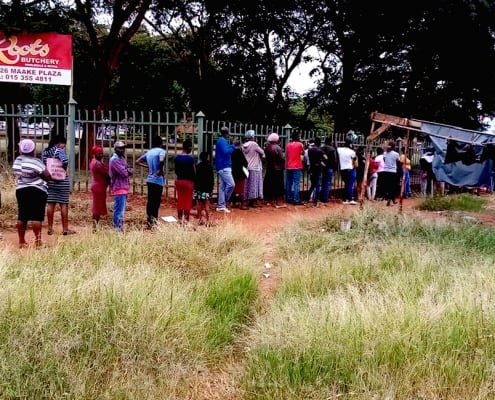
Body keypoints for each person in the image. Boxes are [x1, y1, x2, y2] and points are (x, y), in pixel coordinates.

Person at [12, 139, 52, 247]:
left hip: (21, 189)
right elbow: (48, 176)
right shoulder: (36, 162)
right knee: (36, 216)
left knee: (22, 216)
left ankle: (21, 241)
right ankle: (38, 242)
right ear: (33, 149)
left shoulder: (18, 160)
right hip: (37, 190)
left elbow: (16, 171)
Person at [42, 135, 75, 235]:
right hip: (62, 181)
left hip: (50, 180)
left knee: (50, 204)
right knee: (63, 204)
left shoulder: (45, 152)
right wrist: (64, 169)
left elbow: (43, 165)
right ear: (60, 143)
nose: (64, 147)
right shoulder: (59, 150)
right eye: (64, 145)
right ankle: (65, 229)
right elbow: (65, 161)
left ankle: (50, 228)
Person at [136, 135, 166, 229]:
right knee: (156, 202)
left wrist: (147, 167)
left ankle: (149, 221)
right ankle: (154, 222)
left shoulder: (149, 152)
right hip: (158, 180)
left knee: (150, 201)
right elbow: (161, 160)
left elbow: (137, 161)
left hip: (150, 179)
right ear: (161, 143)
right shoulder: (161, 151)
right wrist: (160, 170)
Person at [109, 140, 133, 232]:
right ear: (115, 149)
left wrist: (128, 170)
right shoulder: (115, 160)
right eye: (120, 148)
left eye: (123, 148)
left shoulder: (121, 158)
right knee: (119, 210)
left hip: (123, 187)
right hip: (119, 187)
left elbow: (128, 168)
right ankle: (117, 229)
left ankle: (119, 228)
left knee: (121, 209)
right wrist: (128, 170)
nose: (122, 150)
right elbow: (124, 173)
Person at [215, 127, 237, 213]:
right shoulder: (222, 141)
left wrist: (231, 145)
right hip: (224, 167)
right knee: (231, 184)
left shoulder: (221, 141)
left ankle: (221, 206)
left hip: (222, 166)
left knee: (222, 187)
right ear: (227, 134)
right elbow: (226, 152)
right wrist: (233, 145)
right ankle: (224, 201)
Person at [174, 138, 196, 223]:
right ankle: (186, 220)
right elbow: (194, 172)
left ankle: (179, 219)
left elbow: (176, 171)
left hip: (179, 181)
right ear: (189, 148)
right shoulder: (190, 159)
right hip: (188, 182)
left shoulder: (177, 158)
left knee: (180, 200)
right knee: (187, 201)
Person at [242, 129, 265, 208]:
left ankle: (245, 202)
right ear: (252, 136)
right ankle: (254, 202)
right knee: (254, 185)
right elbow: (262, 152)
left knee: (247, 184)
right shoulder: (254, 144)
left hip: (246, 167)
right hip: (255, 167)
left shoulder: (244, 145)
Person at [89, 145, 110, 230]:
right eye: (99, 154)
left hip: (98, 185)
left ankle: (95, 226)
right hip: (99, 187)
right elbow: (106, 174)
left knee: (97, 207)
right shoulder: (97, 164)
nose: (101, 155)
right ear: (94, 154)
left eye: (101, 153)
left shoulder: (93, 161)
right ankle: (95, 227)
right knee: (97, 208)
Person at [263, 132, 286, 208]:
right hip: (278, 168)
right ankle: (277, 202)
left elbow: (266, 158)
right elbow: (282, 159)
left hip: (270, 167)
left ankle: (269, 200)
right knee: (278, 185)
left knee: (270, 184)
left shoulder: (267, 148)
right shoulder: (278, 148)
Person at [194, 151, 214, 225]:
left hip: (199, 188)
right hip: (206, 189)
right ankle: (208, 221)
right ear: (207, 157)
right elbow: (211, 179)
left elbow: (195, 177)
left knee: (199, 204)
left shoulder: (198, 166)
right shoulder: (209, 167)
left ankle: (200, 220)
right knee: (206, 205)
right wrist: (211, 188)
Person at [285, 131, 305, 205]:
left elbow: (287, 154)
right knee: (296, 183)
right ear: (297, 137)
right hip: (297, 166)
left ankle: (288, 198)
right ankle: (296, 199)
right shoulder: (300, 144)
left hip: (289, 165)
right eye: (299, 136)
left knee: (289, 183)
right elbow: (303, 153)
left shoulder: (288, 145)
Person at [337, 139, 357, 205]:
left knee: (346, 184)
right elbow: (354, 160)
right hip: (349, 168)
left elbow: (335, 147)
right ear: (350, 144)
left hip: (342, 169)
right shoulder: (352, 152)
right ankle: (350, 199)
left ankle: (344, 199)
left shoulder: (339, 149)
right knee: (350, 184)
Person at [231, 138, 249, 209]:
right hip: (240, 173)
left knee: (233, 188)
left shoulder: (231, 152)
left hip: (233, 172)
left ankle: (234, 203)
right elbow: (246, 163)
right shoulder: (240, 153)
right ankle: (242, 204)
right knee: (241, 189)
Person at [307, 136, 325, 207]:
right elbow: (326, 157)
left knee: (312, 184)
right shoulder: (320, 150)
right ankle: (315, 201)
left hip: (312, 168)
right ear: (320, 143)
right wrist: (321, 161)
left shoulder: (310, 150)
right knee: (318, 185)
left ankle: (306, 198)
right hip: (318, 169)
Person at [382, 141, 401, 206]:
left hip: (385, 170)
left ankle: (392, 199)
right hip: (393, 171)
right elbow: (398, 162)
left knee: (387, 186)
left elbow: (384, 160)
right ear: (394, 147)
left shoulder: (385, 153)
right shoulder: (396, 154)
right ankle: (390, 199)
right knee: (393, 186)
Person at [320, 137, 338, 203]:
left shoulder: (321, 148)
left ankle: (320, 197)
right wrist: (335, 168)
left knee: (322, 182)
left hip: (322, 167)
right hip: (330, 168)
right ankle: (325, 198)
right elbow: (335, 160)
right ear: (330, 142)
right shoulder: (332, 149)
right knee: (327, 183)